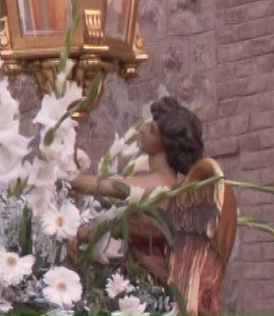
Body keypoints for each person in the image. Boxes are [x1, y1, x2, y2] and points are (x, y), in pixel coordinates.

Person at [74, 97, 234, 316]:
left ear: (165, 142)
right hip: (140, 287)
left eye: (151, 129)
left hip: (152, 290)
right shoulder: (165, 186)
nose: (142, 130)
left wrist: (64, 150)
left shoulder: (156, 186)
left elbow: (97, 186)